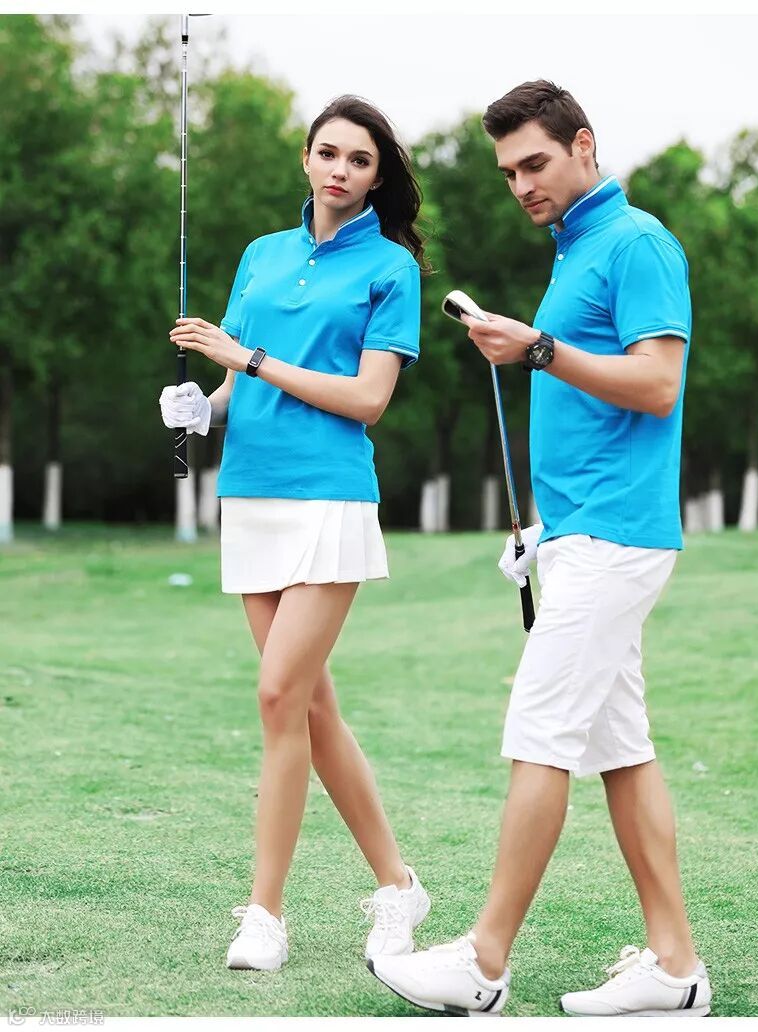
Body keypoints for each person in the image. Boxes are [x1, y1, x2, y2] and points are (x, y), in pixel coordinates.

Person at [368, 80, 712, 1017]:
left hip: (616, 537)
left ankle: (481, 964)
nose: (522, 185)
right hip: (579, 535)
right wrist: (541, 531)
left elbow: (658, 385)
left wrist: (539, 350)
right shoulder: (575, 250)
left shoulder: (638, 243)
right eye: (509, 172)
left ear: (583, 146)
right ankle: (675, 968)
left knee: (540, 736)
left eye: (536, 163)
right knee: (622, 750)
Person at [159, 95, 431, 973]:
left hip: (329, 498)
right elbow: (239, 388)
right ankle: (397, 885)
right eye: (328, 152)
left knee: (280, 695)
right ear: (307, 159)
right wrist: (202, 409)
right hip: (252, 496)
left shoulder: (390, 268)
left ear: (377, 177)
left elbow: (368, 399)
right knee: (310, 707)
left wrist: (247, 360)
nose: (340, 169)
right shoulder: (261, 255)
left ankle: (264, 914)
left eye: (359, 159)